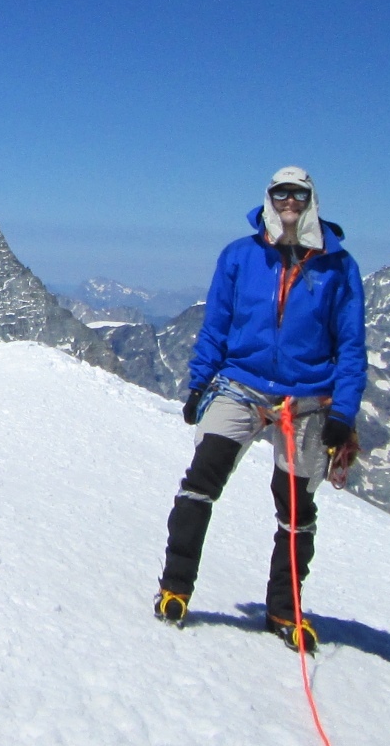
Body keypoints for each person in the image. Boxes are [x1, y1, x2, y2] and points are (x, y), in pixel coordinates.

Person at [153, 167, 365, 652]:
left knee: (295, 507)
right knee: (201, 480)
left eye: (298, 194)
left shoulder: (340, 267)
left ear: (311, 200)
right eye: (280, 193)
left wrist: (344, 413)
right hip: (240, 385)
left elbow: (351, 347)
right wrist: (199, 384)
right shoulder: (240, 256)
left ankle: (283, 610)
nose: (289, 201)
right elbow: (217, 326)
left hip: (308, 398)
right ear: (269, 199)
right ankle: (175, 588)